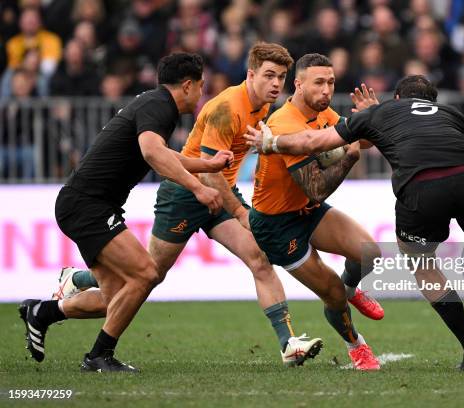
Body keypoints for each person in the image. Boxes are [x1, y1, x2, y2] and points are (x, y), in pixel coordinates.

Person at [245, 75, 464, 370]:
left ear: (396, 98)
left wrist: (271, 142)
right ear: (434, 100)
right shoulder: (453, 114)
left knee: (423, 264)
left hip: (423, 187)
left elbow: (312, 141)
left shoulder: (383, 111)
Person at [48, 43, 323, 367]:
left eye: (281, 77)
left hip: (220, 192)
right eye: (269, 76)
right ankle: (78, 282)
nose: (277, 84)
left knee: (259, 258)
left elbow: (224, 171)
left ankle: (288, 344)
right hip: (184, 194)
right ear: (251, 75)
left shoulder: (262, 106)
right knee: (146, 274)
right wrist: (237, 210)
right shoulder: (226, 108)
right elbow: (207, 167)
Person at [19, 53, 233, 372]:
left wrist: (207, 165)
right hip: (87, 205)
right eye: (201, 86)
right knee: (146, 274)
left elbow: (159, 152)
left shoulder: (154, 103)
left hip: (85, 204)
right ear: (187, 85)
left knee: (116, 296)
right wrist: (198, 187)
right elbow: (151, 153)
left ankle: (43, 313)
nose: (202, 92)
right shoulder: (159, 106)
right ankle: (98, 356)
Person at [248, 53, 383, 370]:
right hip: (277, 226)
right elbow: (317, 188)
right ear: (298, 84)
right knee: (332, 294)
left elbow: (359, 142)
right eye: (319, 83)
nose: (326, 90)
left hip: (307, 210)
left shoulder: (322, 113)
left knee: (369, 252)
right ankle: (356, 345)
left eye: (331, 82)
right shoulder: (284, 123)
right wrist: (348, 159)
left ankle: (353, 289)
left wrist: (370, 120)